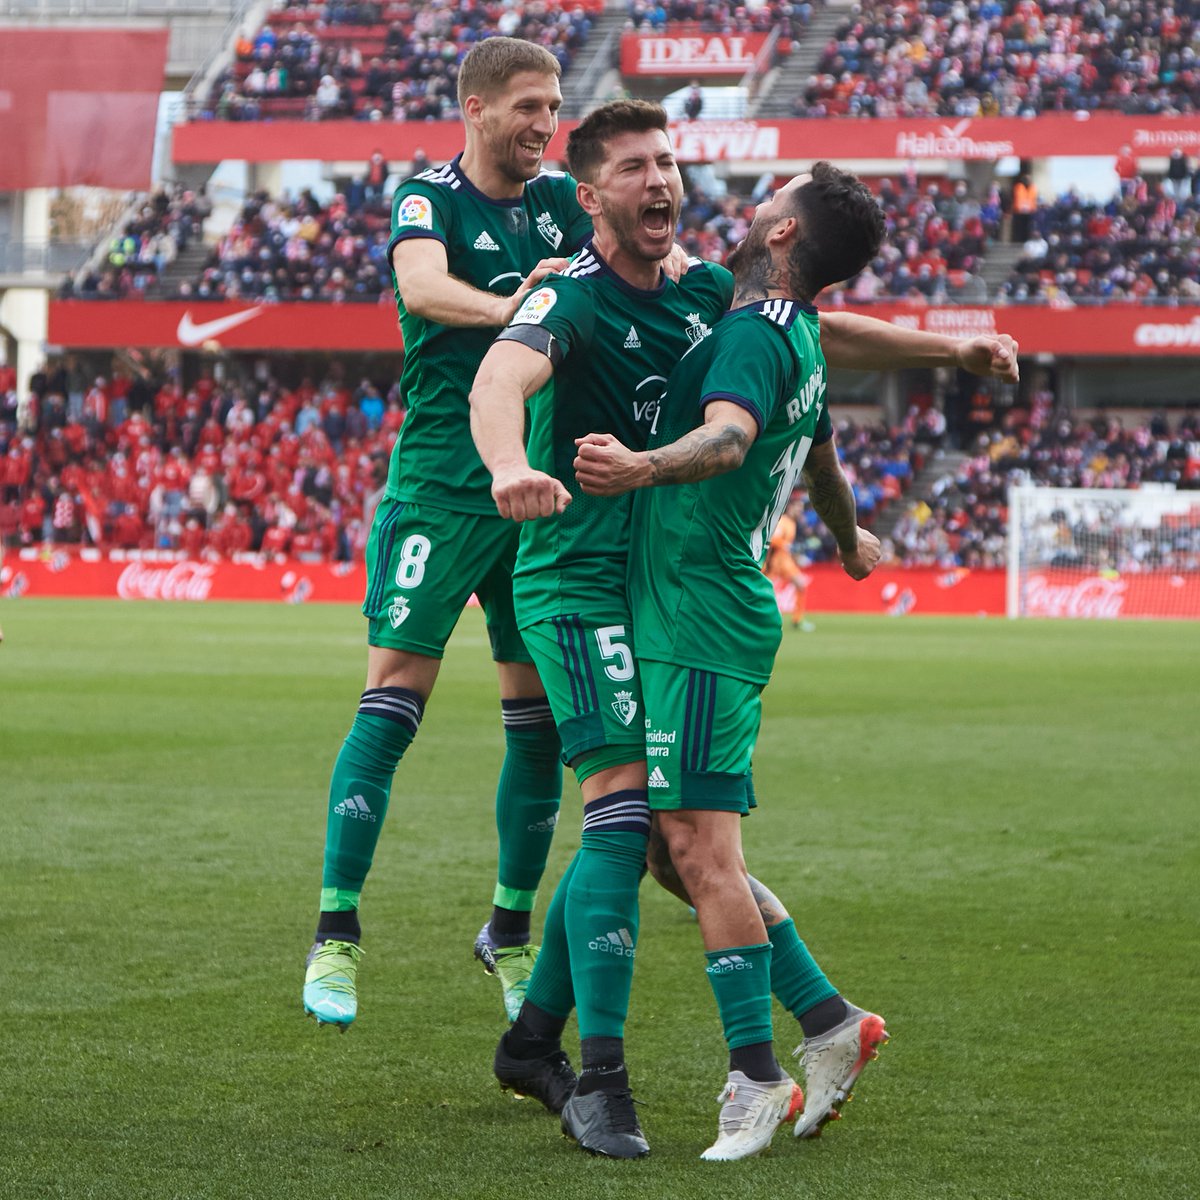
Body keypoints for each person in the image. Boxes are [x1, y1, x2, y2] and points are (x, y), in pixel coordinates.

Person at [571, 163, 1019, 1158]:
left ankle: (755, 1079)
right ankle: (828, 1022)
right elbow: (812, 450)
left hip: (699, 617)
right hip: (693, 609)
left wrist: (641, 465)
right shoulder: (794, 335)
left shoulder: (749, 335)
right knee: (661, 849)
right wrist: (851, 538)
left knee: (698, 852)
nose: (752, 202)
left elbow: (731, 437)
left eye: (770, 196)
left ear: (782, 234)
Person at [301, 37, 593, 1033]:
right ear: (474, 106)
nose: (545, 123)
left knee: (539, 722)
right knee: (392, 698)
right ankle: (336, 932)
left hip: (537, 487)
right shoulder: (426, 197)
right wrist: (519, 304)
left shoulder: (560, 199)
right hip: (440, 488)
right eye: (526, 105)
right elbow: (421, 287)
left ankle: (507, 934)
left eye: (553, 106)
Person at [469, 98, 733, 1159]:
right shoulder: (572, 297)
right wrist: (508, 466)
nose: (661, 180)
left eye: (668, 161)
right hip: (575, 584)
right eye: (634, 167)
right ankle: (603, 1082)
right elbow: (499, 376)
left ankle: (535, 1038)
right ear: (590, 198)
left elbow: (801, 333)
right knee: (623, 813)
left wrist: (938, 353)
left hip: (665, 592)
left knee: (662, 825)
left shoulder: (707, 290)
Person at [765, 508, 814, 631]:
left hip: (785, 561)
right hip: (775, 562)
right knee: (764, 590)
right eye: (796, 507)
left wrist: (795, 554)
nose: (799, 511)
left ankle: (797, 620)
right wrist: (788, 546)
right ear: (790, 507)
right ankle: (760, 618)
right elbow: (774, 539)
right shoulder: (783, 521)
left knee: (801, 584)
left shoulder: (792, 523)